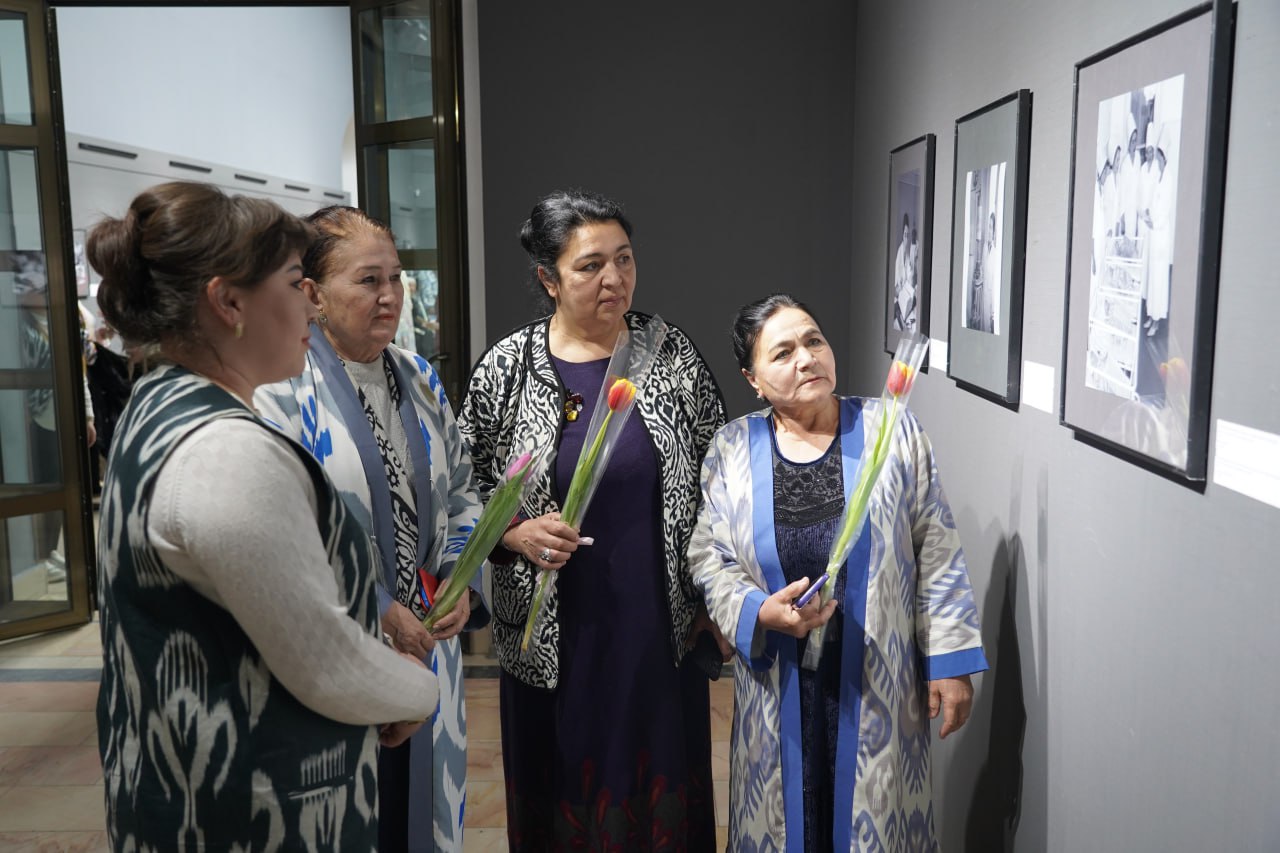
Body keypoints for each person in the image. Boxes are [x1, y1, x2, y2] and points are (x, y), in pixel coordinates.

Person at [91, 181, 438, 850]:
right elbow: (325, 662)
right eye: (293, 280)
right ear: (228, 302)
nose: (309, 300)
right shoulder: (229, 455)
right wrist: (415, 690)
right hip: (252, 814)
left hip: (178, 786)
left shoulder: (156, 403)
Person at [457, 189, 728, 849]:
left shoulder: (671, 356)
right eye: (590, 265)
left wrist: (715, 597)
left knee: (659, 796)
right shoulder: (507, 370)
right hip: (555, 639)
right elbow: (460, 490)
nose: (614, 278)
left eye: (624, 259)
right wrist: (513, 533)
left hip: (658, 630)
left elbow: (724, 477)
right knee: (565, 803)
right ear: (548, 279)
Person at [688, 294, 989, 850]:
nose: (805, 358)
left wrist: (948, 660)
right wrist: (759, 611)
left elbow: (936, 546)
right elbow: (708, 556)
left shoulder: (893, 430)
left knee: (873, 823)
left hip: (878, 681)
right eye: (782, 352)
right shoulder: (731, 448)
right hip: (778, 683)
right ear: (752, 378)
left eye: (813, 341)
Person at [255, 206, 486, 853]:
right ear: (313, 293)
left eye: (396, 277)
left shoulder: (420, 377)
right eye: (367, 280)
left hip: (430, 644)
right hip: (338, 648)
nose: (389, 296)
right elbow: (284, 527)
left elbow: (465, 494)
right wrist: (380, 609)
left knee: (424, 820)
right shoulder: (281, 388)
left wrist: (460, 582)